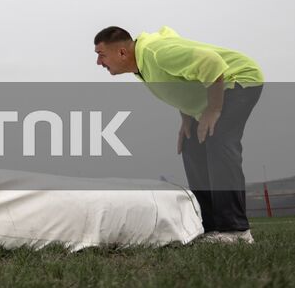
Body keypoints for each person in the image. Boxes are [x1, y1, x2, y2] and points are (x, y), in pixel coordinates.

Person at [93, 25, 263, 243]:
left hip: (239, 80)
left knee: (219, 140)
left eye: (101, 55)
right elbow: (183, 83)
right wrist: (187, 119)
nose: (99, 63)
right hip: (210, 96)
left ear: (122, 53)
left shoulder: (157, 54)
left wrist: (213, 110)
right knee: (192, 146)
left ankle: (236, 231)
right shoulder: (142, 65)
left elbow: (210, 62)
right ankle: (211, 228)